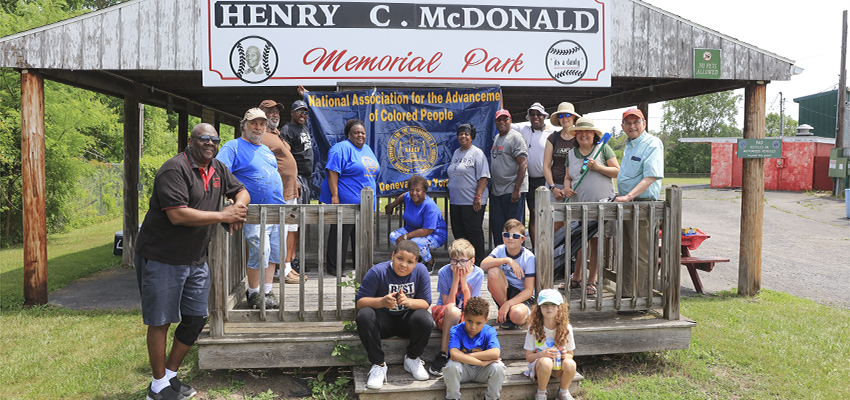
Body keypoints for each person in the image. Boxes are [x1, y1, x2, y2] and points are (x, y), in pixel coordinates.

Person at [135, 123, 249, 400]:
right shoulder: (174, 169)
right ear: (191, 141)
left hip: (196, 259)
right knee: (161, 321)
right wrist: (224, 216)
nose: (210, 143)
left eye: (215, 139)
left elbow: (241, 189)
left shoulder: (217, 168)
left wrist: (237, 206)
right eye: (204, 139)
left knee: (196, 319)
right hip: (163, 257)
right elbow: (179, 215)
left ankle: (170, 377)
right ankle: (157, 385)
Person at [216, 108, 285, 309]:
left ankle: (267, 290)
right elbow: (219, 173)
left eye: (262, 124)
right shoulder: (233, 147)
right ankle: (254, 292)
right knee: (260, 250)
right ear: (243, 125)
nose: (258, 127)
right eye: (254, 123)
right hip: (254, 211)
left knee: (273, 252)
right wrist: (230, 197)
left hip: (276, 210)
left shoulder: (265, 149)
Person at [356, 240, 433, 389]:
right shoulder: (378, 271)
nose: (404, 265)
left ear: (416, 263)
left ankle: (412, 358)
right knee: (364, 315)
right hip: (383, 322)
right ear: (392, 256)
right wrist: (382, 302)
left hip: (407, 322)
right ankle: (378, 364)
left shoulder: (421, 271)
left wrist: (409, 302)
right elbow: (360, 302)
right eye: (400, 259)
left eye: (410, 261)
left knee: (425, 318)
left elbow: (425, 303)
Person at [562, 117, 620, 296]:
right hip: (579, 206)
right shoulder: (570, 154)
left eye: (587, 131)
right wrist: (566, 188)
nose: (583, 134)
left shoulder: (603, 149)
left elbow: (618, 171)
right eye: (579, 132)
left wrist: (598, 167)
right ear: (575, 134)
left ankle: (591, 281)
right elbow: (568, 178)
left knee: (595, 243)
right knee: (580, 242)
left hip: (601, 205)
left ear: (594, 134)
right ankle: (576, 278)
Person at [614, 108, 664, 299]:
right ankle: (627, 296)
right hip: (628, 205)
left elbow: (651, 176)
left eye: (636, 122)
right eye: (628, 123)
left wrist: (628, 196)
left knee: (642, 254)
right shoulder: (629, 144)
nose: (632, 126)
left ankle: (643, 299)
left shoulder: (652, 143)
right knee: (626, 252)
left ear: (644, 123)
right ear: (623, 127)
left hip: (642, 206)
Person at [320, 119, 379, 275]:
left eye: (362, 133)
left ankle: (360, 266)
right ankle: (335, 268)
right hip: (346, 203)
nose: (360, 135)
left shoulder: (367, 149)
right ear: (349, 134)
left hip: (364, 204)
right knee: (340, 235)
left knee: (360, 236)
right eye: (356, 132)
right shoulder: (340, 149)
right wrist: (335, 196)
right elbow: (332, 171)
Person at [258, 100, 303, 285]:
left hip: (291, 189)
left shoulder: (276, 133)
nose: (275, 115)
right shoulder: (261, 136)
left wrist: (295, 179)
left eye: (277, 112)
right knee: (280, 231)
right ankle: (279, 271)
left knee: (291, 228)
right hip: (279, 192)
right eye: (270, 112)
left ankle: (287, 267)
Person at [428, 239, 485, 377]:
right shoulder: (444, 272)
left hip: (466, 314)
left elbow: (470, 307)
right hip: (444, 314)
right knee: (453, 311)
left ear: (472, 261)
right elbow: (448, 304)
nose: (458, 265)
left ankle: (466, 355)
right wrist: (455, 280)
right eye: (454, 261)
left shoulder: (478, 273)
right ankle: (443, 353)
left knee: (475, 318)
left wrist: (463, 282)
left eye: (462, 261)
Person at [442, 297, 507, 400]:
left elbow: (495, 354)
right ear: (463, 316)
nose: (473, 327)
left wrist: (465, 356)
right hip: (463, 370)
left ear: (486, 320)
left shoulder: (489, 330)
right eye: (469, 321)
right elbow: (454, 354)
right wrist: (481, 362)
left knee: (499, 367)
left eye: (478, 323)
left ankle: (492, 397)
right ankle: (453, 397)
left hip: (481, 372)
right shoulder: (456, 330)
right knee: (452, 366)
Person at [512, 102, 557, 248]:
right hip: (527, 179)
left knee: (545, 214)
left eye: (538, 114)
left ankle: (549, 246)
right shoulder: (522, 129)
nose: (535, 117)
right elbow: (503, 119)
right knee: (532, 213)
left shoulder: (552, 132)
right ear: (528, 117)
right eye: (532, 114)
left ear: (544, 116)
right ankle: (536, 248)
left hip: (545, 178)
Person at [480, 218, 536, 329]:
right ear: (502, 236)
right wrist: (507, 260)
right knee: (493, 270)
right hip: (505, 292)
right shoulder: (500, 249)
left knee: (517, 315)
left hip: (523, 296)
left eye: (515, 236)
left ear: (522, 239)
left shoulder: (528, 258)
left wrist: (508, 304)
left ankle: (511, 313)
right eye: (506, 235)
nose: (510, 238)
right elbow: (483, 265)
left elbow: (529, 291)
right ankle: (506, 313)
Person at [280, 99, 315, 273]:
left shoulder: (304, 128)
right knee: (292, 222)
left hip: (306, 179)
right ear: (292, 113)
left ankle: (294, 258)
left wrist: (306, 95)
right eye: (299, 111)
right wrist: (292, 179)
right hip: (297, 179)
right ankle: (289, 261)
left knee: (301, 221)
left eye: (305, 112)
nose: (303, 115)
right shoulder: (287, 130)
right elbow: (285, 156)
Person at [385, 175, 448, 271]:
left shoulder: (430, 207)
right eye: (412, 189)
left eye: (418, 190)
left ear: (424, 191)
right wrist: (392, 205)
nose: (414, 193)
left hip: (434, 235)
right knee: (393, 236)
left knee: (416, 243)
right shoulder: (408, 196)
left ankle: (429, 261)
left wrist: (405, 236)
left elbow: (427, 230)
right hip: (413, 229)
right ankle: (414, 258)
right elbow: (403, 196)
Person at [447, 123, 490, 263]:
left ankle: (478, 262)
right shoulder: (456, 153)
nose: (463, 136)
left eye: (466, 134)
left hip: (472, 202)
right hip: (456, 201)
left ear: (471, 137)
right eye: (461, 134)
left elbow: (483, 177)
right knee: (459, 232)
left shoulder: (477, 153)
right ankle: (463, 259)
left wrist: (478, 196)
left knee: (473, 232)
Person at [523, 289, 577, 400]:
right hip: (540, 367)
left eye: (553, 305)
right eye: (545, 305)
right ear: (539, 308)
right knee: (546, 361)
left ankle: (563, 392)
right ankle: (541, 393)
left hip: (557, 367)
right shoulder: (533, 328)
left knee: (571, 364)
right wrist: (542, 354)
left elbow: (570, 354)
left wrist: (564, 355)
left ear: (560, 307)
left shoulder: (566, 328)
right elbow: (528, 357)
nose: (549, 308)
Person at [489, 109, 528, 247]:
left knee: (513, 229)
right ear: (495, 122)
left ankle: (515, 260)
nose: (502, 122)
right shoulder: (497, 138)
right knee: (498, 227)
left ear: (510, 121)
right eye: (499, 119)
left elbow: (523, 164)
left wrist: (517, 189)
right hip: (498, 191)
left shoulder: (516, 137)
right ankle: (501, 259)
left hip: (512, 190)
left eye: (505, 119)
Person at [544, 102, 579, 233]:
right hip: (556, 187)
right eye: (561, 115)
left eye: (568, 115)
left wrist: (568, 187)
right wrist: (552, 187)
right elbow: (546, 165)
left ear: (574, 117)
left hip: (575, 186)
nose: (565, 118)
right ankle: (557, 253)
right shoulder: (553, 137)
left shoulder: (580, 137)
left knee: (575, 225)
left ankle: (574, 253)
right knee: (556, 225)